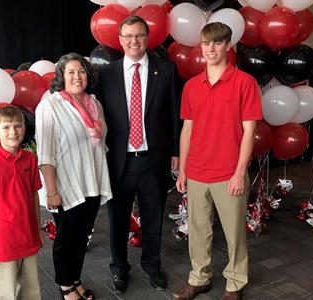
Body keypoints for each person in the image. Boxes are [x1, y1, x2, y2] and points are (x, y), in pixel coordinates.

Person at [174, 22, 263, 300]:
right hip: (197, 171)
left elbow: (250, 132)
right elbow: (187, 130)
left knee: (234, 234)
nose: (210, 49)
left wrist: (239, 173)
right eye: (205, 43)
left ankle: (235, 283)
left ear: (228, 46)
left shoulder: (244, 82)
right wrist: (183, 171)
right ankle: (198, 278)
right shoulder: (191, 86)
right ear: (200, 46)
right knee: (198, 231)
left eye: (216, 43)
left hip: (228, 172)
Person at [97, 15, 182, 293]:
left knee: (153, 216)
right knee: (117, 219)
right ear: (120, 40)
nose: (134, 41)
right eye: (128, 36)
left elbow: (174, 115)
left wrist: (176, 151)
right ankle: (119, 269)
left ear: (148, 38)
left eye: (139, 35)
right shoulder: (106, 74)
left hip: (152, 159)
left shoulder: (167, 70)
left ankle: (152, 266)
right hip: (118, 161)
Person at [35, 52, 112, 300]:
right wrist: (51, 191)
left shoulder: (95, 104)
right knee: (67, 238)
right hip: (66, 184)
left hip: (91, 181)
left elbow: (100, 144)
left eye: (81, 71)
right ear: (61, 77)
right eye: (71, 72)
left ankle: (75, 278)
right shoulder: (51, 105)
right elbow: (46, 152)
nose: (77, 76)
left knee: (82, 236)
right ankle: (65, 286)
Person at [0, 106, 44, 300]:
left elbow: (34, 195)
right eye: (6, 127)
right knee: (5, 293)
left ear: (24, 129)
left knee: (31, 290)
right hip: (3, 242)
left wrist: (37, 229)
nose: (13, 132)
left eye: (18, 126)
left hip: (28, 236)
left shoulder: (30, 159)